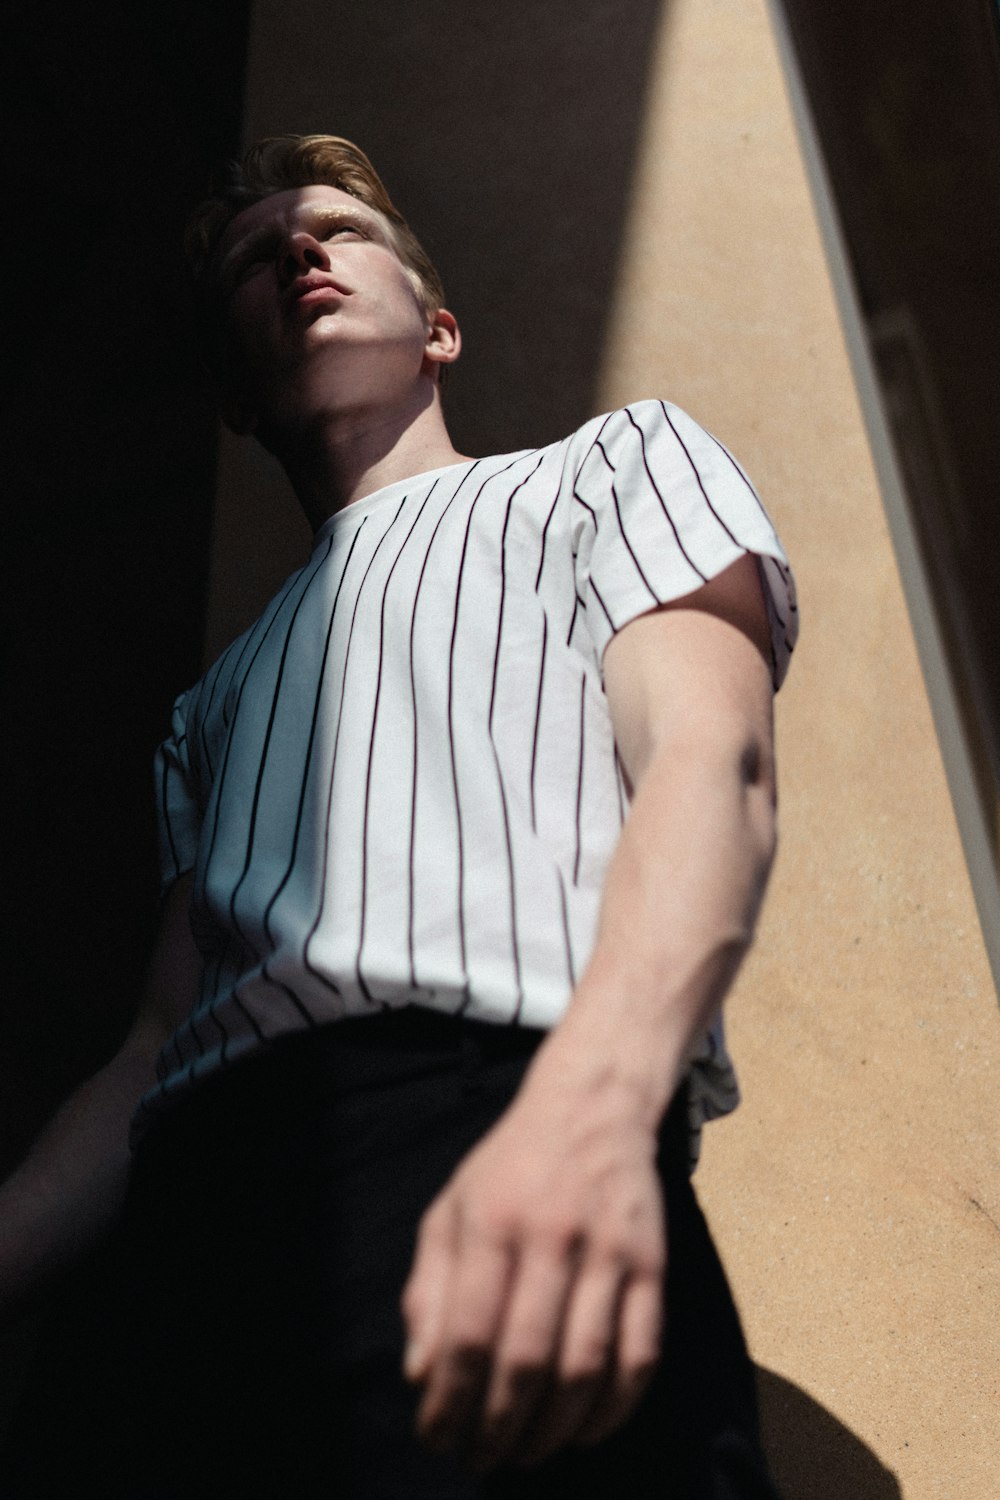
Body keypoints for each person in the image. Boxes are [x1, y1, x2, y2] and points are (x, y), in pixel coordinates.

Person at [0, 135, 797, 1497]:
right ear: (236, 404)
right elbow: (149, 1046)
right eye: (257, 261)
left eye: (333, 232)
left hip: (481, 1125)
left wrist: (595, 1113)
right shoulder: (210, 707)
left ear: (438, 327)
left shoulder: (605, 472)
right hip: (192, 1238)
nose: (297, 254)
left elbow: (712, 762)